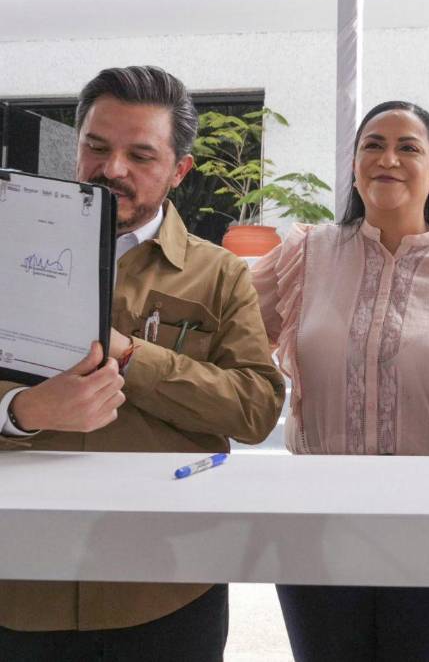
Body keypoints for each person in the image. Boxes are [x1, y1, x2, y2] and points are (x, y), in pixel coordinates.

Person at [0, 66, 284, 660]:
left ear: (179, 169)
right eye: (97, 147)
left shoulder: (220, 273)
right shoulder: (6, 256)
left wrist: (131, 354)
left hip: (166, 583)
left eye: (141, 155)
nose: (113, 170)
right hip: (19, 580)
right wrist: (19, 411)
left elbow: (257, 408)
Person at [251, 100, 429, 662]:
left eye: (408, 147)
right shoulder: (306, 254)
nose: (387, 158)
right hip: (316, 521)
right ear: (354, 164)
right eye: (373, 145)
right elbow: (230, 327)